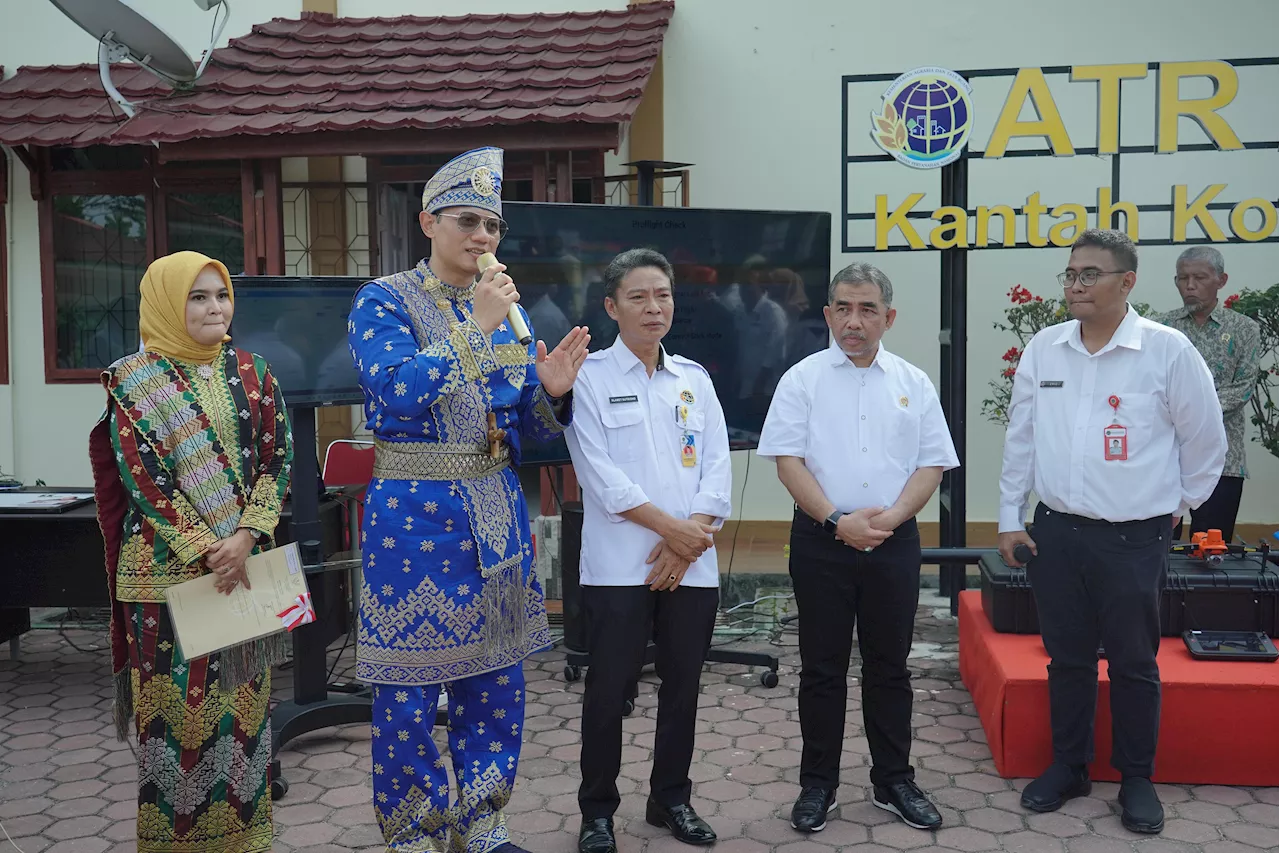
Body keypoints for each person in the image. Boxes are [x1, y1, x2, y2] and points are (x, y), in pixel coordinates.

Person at [347, 147, 590, 853]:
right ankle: (415, 833)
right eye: (467, 220)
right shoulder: (385, 300)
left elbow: (521, 432)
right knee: (410, 691)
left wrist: (549, 391)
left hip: (497, 515)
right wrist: (475, 328)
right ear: (428, 221)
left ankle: (484, 824)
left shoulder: (507, 316)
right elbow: (397, 388)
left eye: (492, 225)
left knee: (496, 685)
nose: (482, 237)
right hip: (413, 517)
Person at [998, 229, 1226, 835]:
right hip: (1055, 533)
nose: (1074, 284)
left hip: (1134, 537)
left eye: (1088, 274)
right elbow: (1020, 437)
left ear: (1127, 282)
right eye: (1070, 273)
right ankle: (1069, 766)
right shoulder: (1045, 348)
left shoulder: (1167, 350)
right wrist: (1008, 519)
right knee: (1066, 658)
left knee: (1133, 662)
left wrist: (1174, 506)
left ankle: (1136, 778)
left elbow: (1205, 443)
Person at [88, 251, 294, 853]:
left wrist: (247, 536)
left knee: (245, 718)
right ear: (166, 305)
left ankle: (244, 841)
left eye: (221, 295)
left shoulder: (257, 372)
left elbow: (278, 459)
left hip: (245, 569)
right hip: (164, 577)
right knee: (177, 725)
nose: (214, 308)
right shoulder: (133, 379)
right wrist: (209, 549)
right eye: (198, 297)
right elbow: (141, 475)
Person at [757, 263, 957, 834]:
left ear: (888, 318)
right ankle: (817, 784)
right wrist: (836, 520)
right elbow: (787, 461)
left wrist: (890, 518)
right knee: (822, 669)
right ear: (827, 314)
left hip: (894, 542)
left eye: (868, 309)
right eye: (843, 308)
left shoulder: (913, 383)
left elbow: (932, 463)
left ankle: (894, 779)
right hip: (821, 542)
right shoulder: (802, 379)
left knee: (890, 668)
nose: (854, 321)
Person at [564, 249, 732, 853]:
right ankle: (597, 811)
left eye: (662, 294)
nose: (653, 307)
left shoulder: (695, 378)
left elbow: (718, 467)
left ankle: (671, 799)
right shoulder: (588, 377)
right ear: (612, 307)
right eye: (638, 297)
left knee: (683, 686)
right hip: (617, 567)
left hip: (693, 564)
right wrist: (674, 532)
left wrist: (689, 542)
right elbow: (602, 478)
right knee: (609, 689)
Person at [1153, 246, 1260, 542]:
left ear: (1221, 280)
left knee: (1211, 549)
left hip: (1222, 458)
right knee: (1156, 548)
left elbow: (1243, 388)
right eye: (1182, 278)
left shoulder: (1244, 329)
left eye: (1199, 277)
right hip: (1163, 457)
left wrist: (1188, 410)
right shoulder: (1160, 328)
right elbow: (1146, 385)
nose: (1189, 285)